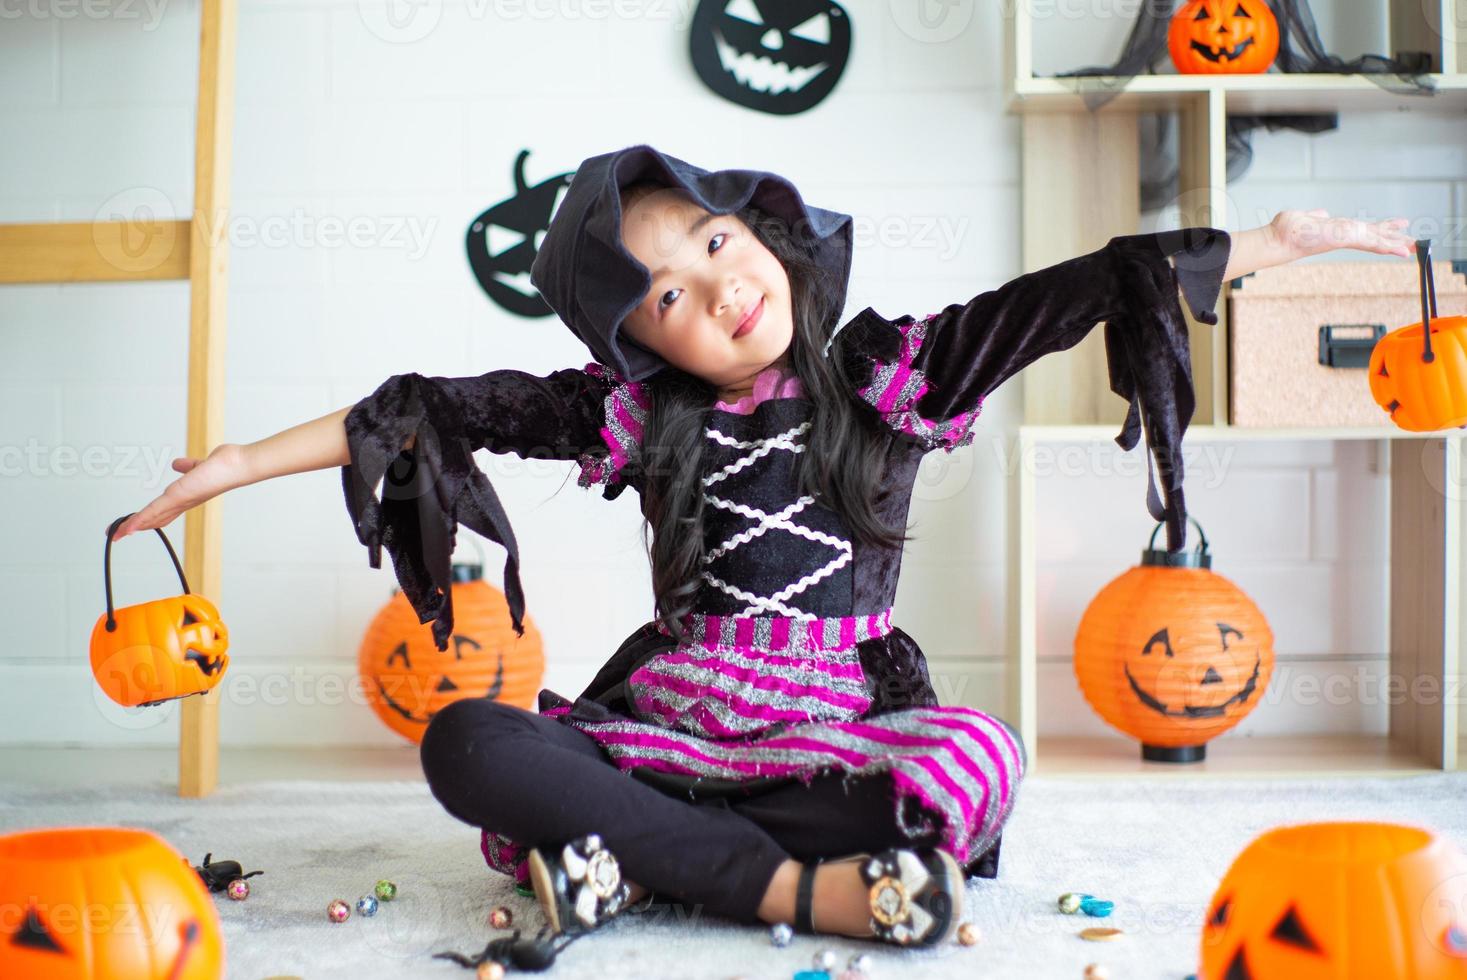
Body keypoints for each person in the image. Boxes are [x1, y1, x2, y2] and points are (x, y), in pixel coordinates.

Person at [109, 145, 1413, 947]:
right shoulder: (631, 417)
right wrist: (231, 467)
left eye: (714, 243)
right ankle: (801, 892)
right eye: (665, 291)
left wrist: (1254, 248)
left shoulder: (891, 373)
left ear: (765, 235)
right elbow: (434, 407)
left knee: (980, 759)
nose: (716, 287)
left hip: (835, 734)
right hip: (667, 731)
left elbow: (1068, 296)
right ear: (642, 339)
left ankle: (638, 861)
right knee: (465, 736)